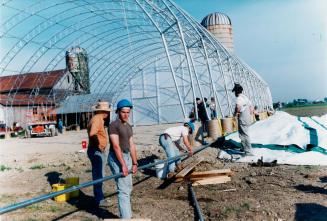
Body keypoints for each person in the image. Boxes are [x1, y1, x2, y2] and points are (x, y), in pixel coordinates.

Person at [108, 99, 137, 218]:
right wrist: (123, 165)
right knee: (123, 190)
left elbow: (132, 145)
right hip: (116, 157)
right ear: (118, 112)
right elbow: (115, 146)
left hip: (127, 156)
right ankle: (126, 218)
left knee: (128, 188)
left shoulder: (129, 126)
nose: (126, 115)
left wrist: (135, 162)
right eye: (123, 112)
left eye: (128, 112)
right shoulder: (113, 125)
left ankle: (127, 215)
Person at [87, 101, 111, 207]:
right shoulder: (97, 119)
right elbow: (93, 134)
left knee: (99, 175)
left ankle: (99, 197)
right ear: (103, 111)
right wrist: (99, 146)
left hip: (95, 150)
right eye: (106, 111)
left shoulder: (98, 119)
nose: (107, 113)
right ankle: (99, 199)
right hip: (96, 151)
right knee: (99, 176)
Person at [232, 83, 254, 156]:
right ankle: (244, 147)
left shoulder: (239, 98)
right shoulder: (245, 97)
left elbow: (238, 107)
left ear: (236, 91)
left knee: (244, 134)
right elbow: (251, 108)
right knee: (243, 133)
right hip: (247, 117)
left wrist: (235, 113)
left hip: (243, 118)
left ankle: (248, 151)